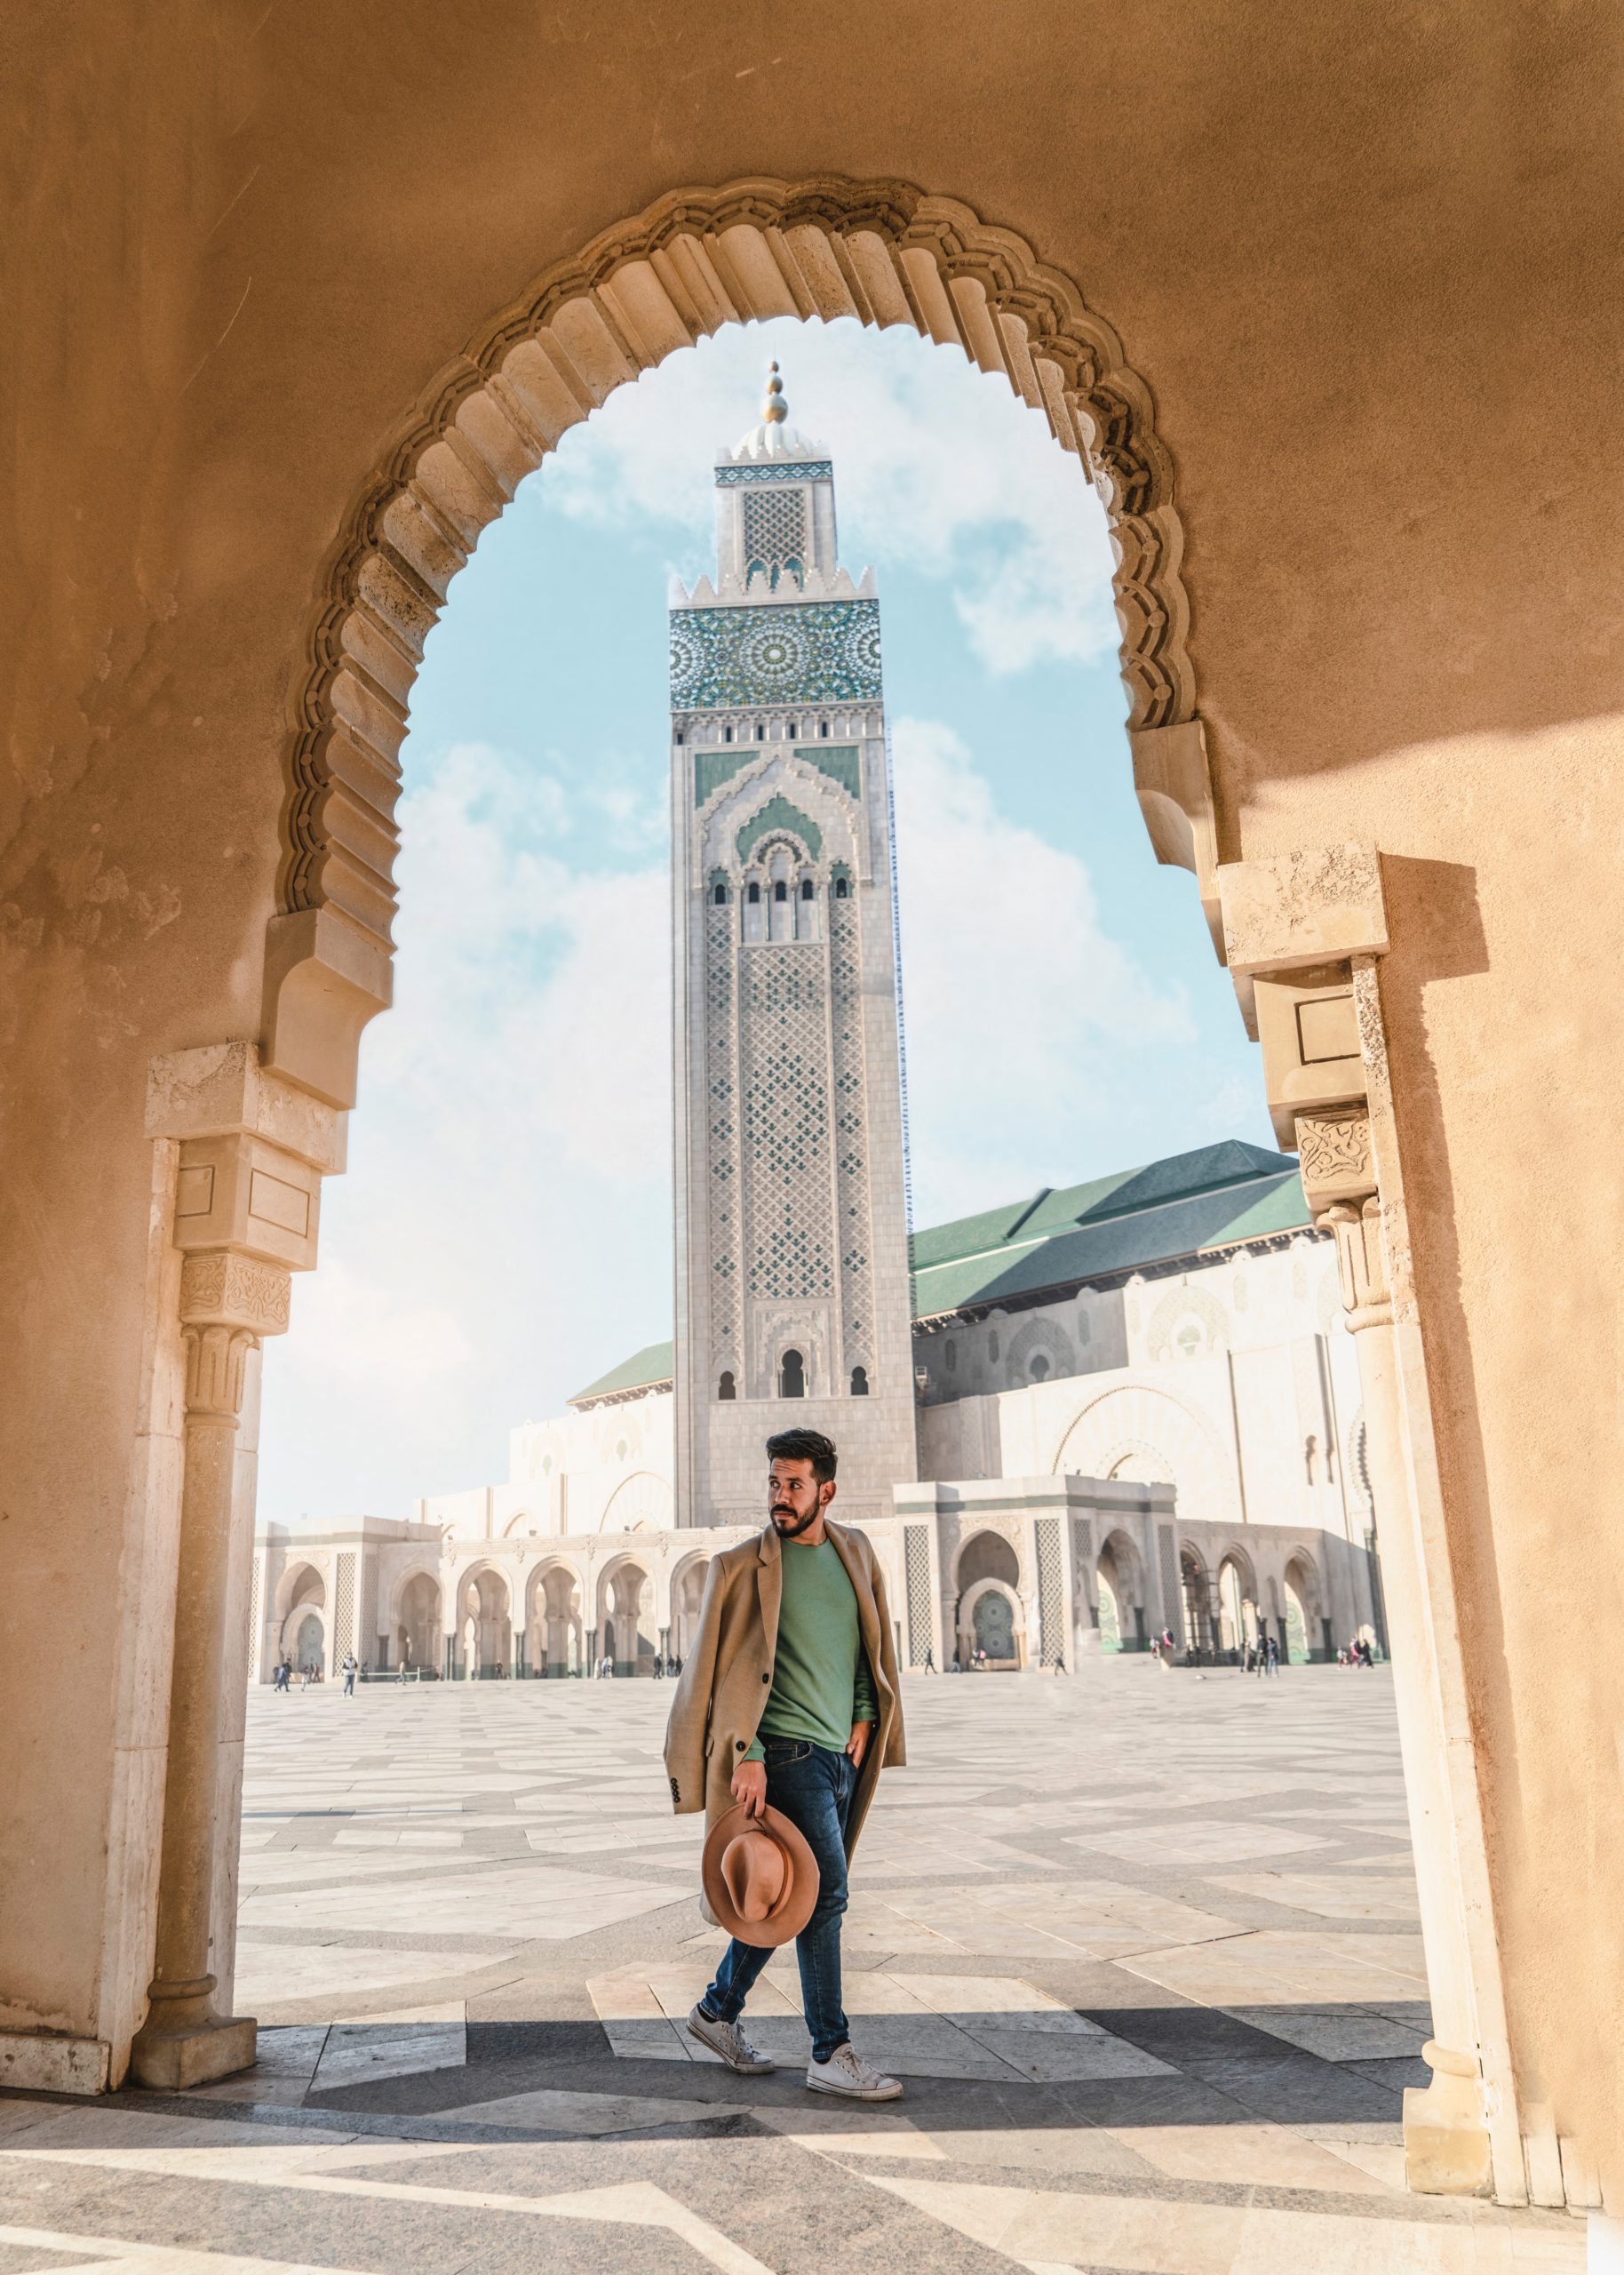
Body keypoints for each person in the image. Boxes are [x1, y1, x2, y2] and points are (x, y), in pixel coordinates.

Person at [665, 1426, 905, 2103]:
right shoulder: (742, 1567)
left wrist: (864, 1711)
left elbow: (869, 1644)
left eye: (795, 1485)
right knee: (827, 1896)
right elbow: (716, 1675)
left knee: (794, 1895)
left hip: (840, 1755)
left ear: (827, 1490)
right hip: (787, 1755)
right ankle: (831, 2050)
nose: (781, 1495)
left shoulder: (855, 1552)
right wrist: (754, 1756)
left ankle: (717, 2011)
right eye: (775, 1482)